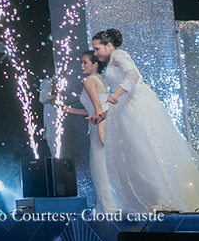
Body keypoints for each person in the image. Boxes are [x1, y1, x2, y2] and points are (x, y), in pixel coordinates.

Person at [91, 28, 199, 212]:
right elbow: (119, 93)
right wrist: (102, 115)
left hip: (134, 106)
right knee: (135, 156)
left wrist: (117, 93)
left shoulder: (118, 54)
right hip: (123, 108)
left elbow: (133, 75)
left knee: (144, 151)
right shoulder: (112, 61)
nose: (95, 53)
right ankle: (155, 199)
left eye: (97, 48)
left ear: (109, 45)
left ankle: (166, 199)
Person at [62, 50, 116, 213]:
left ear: (95, 65)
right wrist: (69, 110)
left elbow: (98, 108)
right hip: (107, 120)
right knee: (108, 164)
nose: (82, 65)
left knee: (100, 165)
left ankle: (110, 207)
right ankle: (113, 203)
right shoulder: (101, 81)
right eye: (82, 62)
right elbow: (92, 109)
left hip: (101, 123)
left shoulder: (89, 81)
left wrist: (100, 130)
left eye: (85, 62)